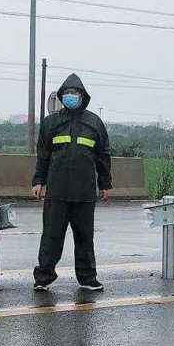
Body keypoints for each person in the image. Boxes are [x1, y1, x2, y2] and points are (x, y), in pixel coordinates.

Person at [32, 73, 112, 291]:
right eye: (66, 93)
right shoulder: (51, 123)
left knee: (85, 237)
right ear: (61, 96)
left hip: (84, 192)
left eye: (74, 93)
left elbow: (103, 155)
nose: (70, 96)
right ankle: (43, 278)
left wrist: (105, 184)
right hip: (57, 191)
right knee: (51, 236)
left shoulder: (94, 123)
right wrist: (39, 181)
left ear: (82, 96)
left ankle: (87, 278)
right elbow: (43, 155)